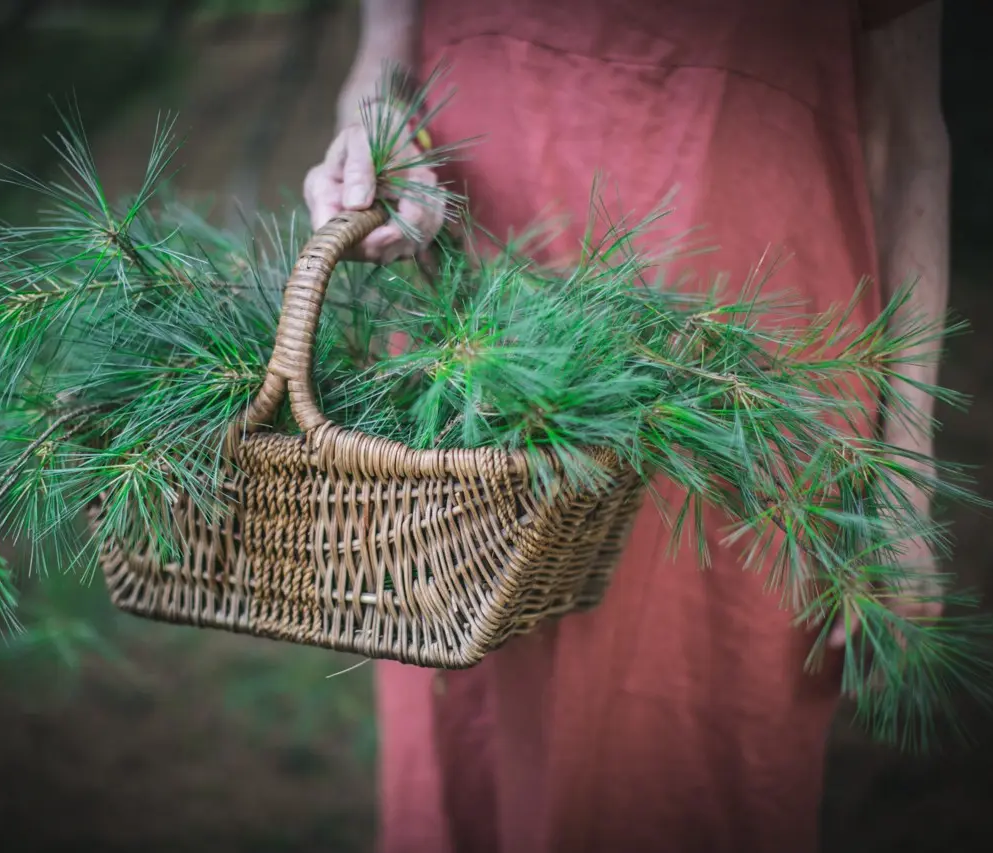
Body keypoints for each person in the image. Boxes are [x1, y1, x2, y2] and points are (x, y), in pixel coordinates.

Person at [302, 1, 950, 851]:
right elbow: (383, 62)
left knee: (692, 772)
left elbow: (905, 138)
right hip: (470, 371)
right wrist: (378, 140)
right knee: (476, 756)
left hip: (746, 405)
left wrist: (904, 473)